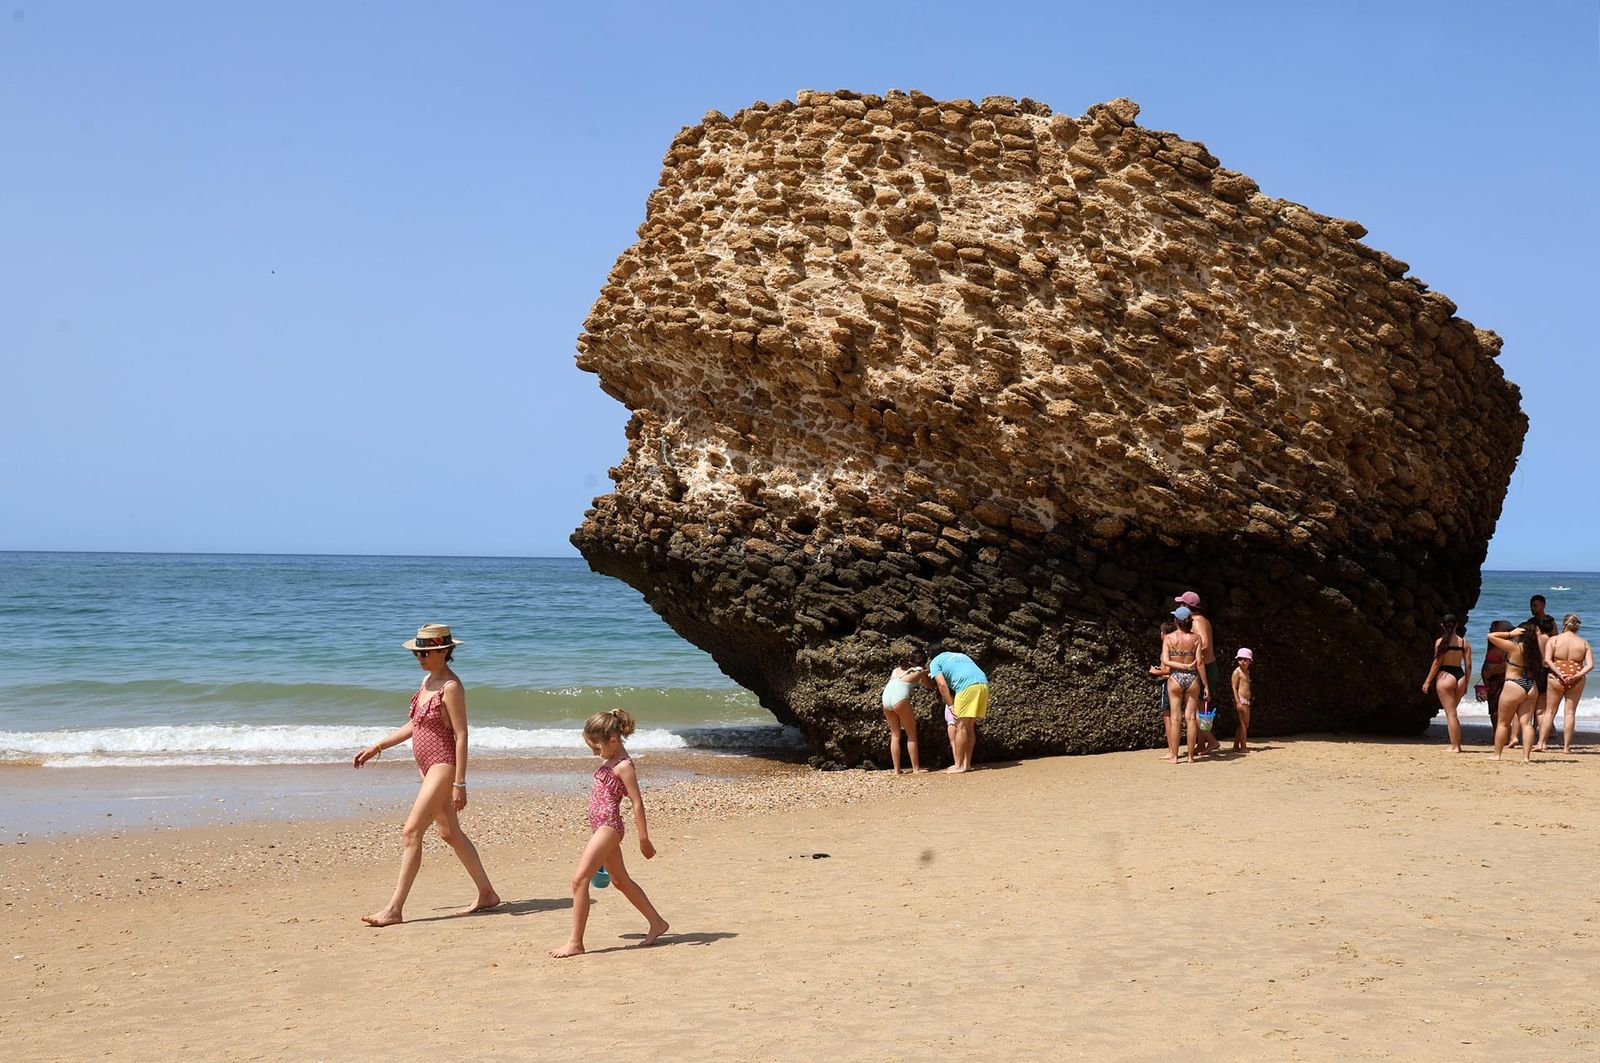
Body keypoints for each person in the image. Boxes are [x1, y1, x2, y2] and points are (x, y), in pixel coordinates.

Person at [353, 624, 500, 926]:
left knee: (411, 832)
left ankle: (394, 909)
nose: (419, 657)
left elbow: (461, 735)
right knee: (449, 833)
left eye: (425, 652)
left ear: (444, 651)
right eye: (417, 652)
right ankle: (487, 893)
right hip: (425, 766)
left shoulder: (451, 687)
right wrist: (377, 746)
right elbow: (415, 725)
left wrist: (460, 782)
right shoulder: (427, 680)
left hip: (443, 764)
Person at [550, 708, 669, 957]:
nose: (595, 753)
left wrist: (644, 838)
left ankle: (576, 942)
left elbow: (637, 802)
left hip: (609, 827)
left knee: (578, 880)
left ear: (613, 740)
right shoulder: (610, 760)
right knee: (620, 880)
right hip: (600, 827)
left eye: (596, 748)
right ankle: (657, 922)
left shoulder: (624, 766)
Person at [926, 643, 990, 774]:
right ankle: (967, 764)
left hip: (966, 687)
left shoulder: (935, 662)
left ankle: (958, 765)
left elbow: (942, 685)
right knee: (969, 726)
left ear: (930, 655)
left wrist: (950, 705)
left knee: (960, 727)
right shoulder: (960, 655)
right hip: (983, 684)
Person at [1160, 607, 1211, 763]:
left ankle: (1174, 756)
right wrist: (1206, 685)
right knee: (1191, 718)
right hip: (1193, 678)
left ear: (1176, 621)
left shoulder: (1168, 638)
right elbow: (1200, 663)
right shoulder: (1196, 639)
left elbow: (1165, 661)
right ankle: (1190, 756)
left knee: (1175, 718)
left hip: (1175, 677)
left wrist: (1180, 666)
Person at [1539, 614, 1593, 753]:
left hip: (1557, 677)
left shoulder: (1554, 640)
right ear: (1576, 627)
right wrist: (1576, 675)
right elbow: (1590, 665)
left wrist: (1560, 673)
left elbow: (1547, 660)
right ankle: (1566, 747)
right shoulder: (1583, 643)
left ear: (1563, 625)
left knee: (1550, 711)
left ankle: (1541, 743)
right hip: (1576, 678)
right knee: (1570, 713)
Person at [1489, 624, 1542, 762]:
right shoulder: (1535, 651)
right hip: (1531, 686)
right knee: (1527, 724)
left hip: (1514, 685)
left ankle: (1497, 755)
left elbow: (1491, 636)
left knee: (1503, 723)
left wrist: (1510, 634)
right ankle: (1526, 757)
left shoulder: (1514, 648)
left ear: (1520, 633)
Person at [1421, 613, 1471, 753]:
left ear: (1442, 625)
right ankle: (1457, 745)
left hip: (1445, 676)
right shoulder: (1464, 643)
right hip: (1460, 676)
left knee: (1451, 713)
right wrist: (1466, 682)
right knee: (1453, 712)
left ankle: (1455, 746)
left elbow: (1436, 664)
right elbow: (1468, 666)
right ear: (1457, 625)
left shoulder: (1440, 642)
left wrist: (1427, 681)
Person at [1175, 591, 1223, 725]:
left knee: (1199, 708)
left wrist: (1187, 653)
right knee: (1198, 707)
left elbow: (1206, 644)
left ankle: (1208, 741)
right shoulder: (1198, 620)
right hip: (1204, 666)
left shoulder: (1197, 621)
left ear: (1186, 606)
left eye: (1181, 604)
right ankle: (1202, 744)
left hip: (1205, 666)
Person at [880, 655, 929, 774]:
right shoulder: (920, 671)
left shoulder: (896, 670)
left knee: (895, 735)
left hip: (886, 699)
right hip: (900, 699)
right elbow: (929, 686)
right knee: (911, 734)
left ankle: (897, 770)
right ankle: (916, 768)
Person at [1480, 620, 1511, 746]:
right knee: (1495, 710)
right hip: (1492, 680)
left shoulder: (1505, 645)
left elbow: (1507, 664)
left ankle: (1502, 737)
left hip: (1499, 680)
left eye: (1493, 628)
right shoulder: (1493, 643)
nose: (1490, 629)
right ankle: (1499, 735)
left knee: (1497, 710)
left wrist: (1490, 672)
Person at [1150, 619, 1178, 756]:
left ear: (1165, 634)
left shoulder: (1166, 648)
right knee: (1177, 717)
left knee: (1168, 718)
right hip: (1179, 683)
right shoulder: (1178, 648)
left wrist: (1155, 672)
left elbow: (1167, 670)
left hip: (1167, 683)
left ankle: (1172, 750)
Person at [1231, 648, 1254, 753]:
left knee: (1244, 724)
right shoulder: (1237, 672)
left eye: (1245, 659)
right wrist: (1238, 701)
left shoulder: (1247, 672)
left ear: (1250, 661)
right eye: (1240, 659)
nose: (1242, 662)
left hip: (1246, 700)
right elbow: (1234, 687)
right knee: (1244, 724)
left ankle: (1236, 745)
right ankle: (1243, 746)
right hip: (1241, 700)